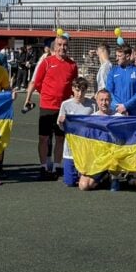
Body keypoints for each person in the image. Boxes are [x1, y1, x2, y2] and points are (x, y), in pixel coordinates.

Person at [23, 33, 79, 180]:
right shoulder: (47, 62)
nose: (62, 48)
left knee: (60, 139)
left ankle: (56, 166)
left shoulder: (73, 65)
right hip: (47, 106)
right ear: (55, 46)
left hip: (63, 108)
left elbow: (74, 86)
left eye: (65, 45)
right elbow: (37, 82)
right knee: (43, 138)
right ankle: (43, 167)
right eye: (59, 45)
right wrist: (44, 95)